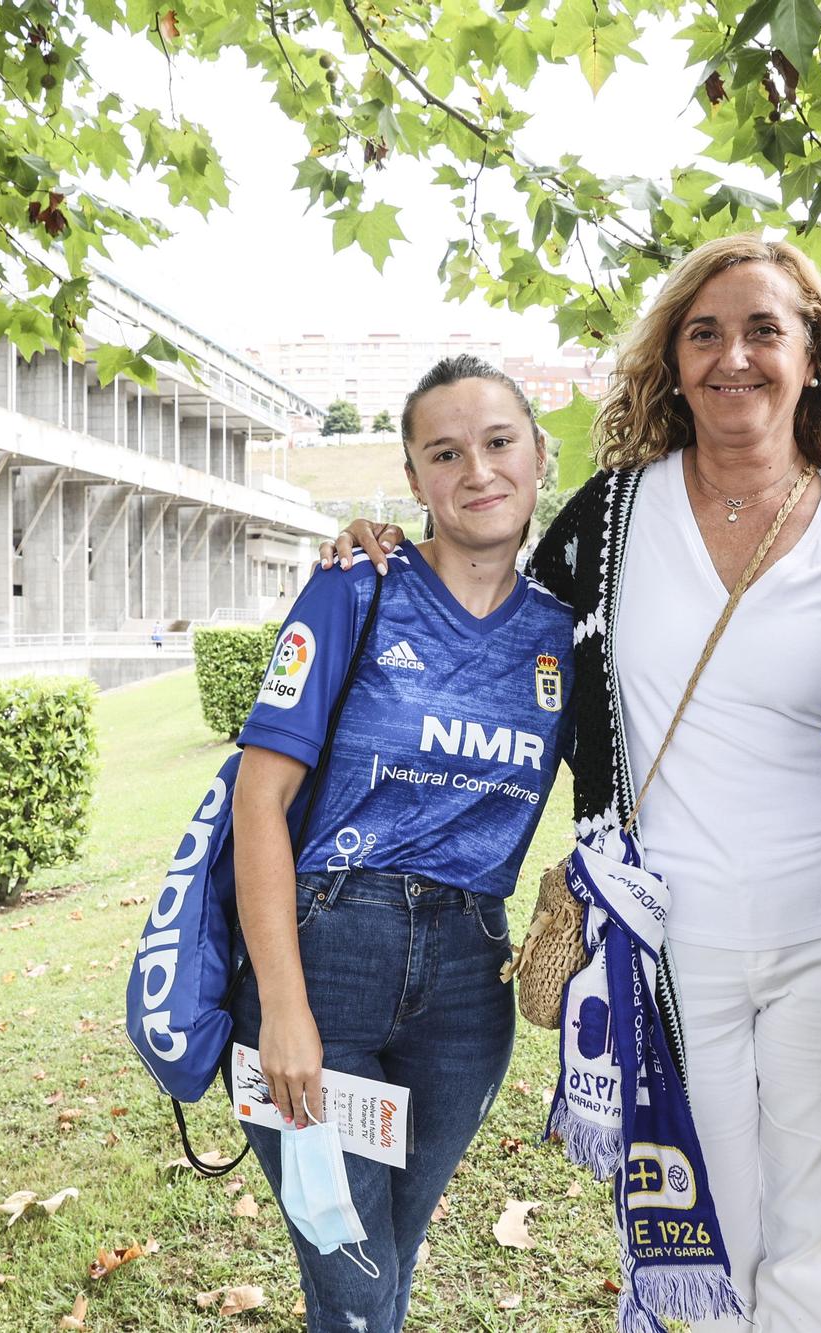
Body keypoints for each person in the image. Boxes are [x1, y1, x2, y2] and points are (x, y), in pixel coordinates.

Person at [330, 234, 821, 1331]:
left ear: (815, 357)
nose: (731, 356)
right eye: (703, 333)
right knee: (710, 1227)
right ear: (671, 362)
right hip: (664, 941)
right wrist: (386, 553)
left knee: (820, 1244)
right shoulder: (610, 516)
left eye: (762, 330)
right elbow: (486, 612)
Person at [231, 356, 573, 1332]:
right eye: (444, 452)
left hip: (469, 991)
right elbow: (261, 802)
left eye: (498, 442)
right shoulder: (356, 589)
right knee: (348, 1277)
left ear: (537, 456)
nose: (477, 470)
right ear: (416, 477)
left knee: (387, 1258)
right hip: (325, 961)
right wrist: (285, 1015)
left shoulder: (563, 633)